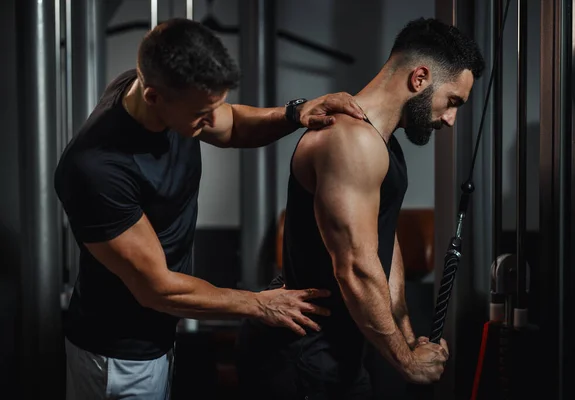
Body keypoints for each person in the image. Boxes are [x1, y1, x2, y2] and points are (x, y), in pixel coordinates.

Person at [54, 18, 366, 400]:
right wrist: (257, 304)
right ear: (153, 97)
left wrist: (294, 114)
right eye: (203, 115)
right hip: (117, 360)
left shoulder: (159, 92)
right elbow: (158, 289)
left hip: (156, 340)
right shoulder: (95, 169)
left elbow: (232, 123)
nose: (211, 121)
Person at [236, 17, 485, 399]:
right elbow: (354, 267)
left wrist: (406, 333)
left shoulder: (383, 143)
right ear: (419, 78)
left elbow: (384, 244)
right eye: (452, 102)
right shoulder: (349, 141)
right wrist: (406, 361)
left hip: (340, 350)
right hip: (302, 353)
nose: (450, 119)